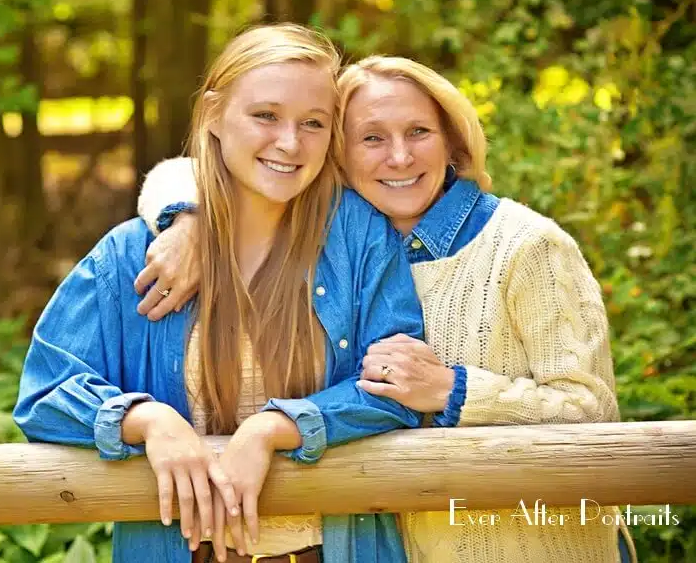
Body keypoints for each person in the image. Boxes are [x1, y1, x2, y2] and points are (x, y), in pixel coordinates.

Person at [134, 55, 635, 563]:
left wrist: (452, 391)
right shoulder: (339, 247)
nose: (399, 157)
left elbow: (592, 411)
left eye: (418, 132)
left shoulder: (526, 246)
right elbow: (210, 165)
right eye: (371, 138)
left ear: (452, 143)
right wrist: (187, 218)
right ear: (336, 155)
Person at [13, 24, 431, 563]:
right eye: (265, 115)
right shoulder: (136, 252)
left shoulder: (360, 237)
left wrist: (273, 428)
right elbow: (44, 395)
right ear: (213, 113)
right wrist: (150, 421)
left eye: (313, 123)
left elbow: (395, 387)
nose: (289, 142)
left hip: (333, 549)